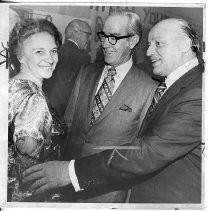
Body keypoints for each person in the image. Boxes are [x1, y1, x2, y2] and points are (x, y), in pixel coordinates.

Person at [23, 17, 203, 203]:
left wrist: (70, 171)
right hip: (68, 188)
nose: (149, 52)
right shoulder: (87, 72)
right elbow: (68, 126)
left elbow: (146, 150)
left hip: (120, 194)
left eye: (158, 44)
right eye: (103, 36)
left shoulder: (194, 92)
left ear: (185, 44)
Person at [8, 18, 66, 202]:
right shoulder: (34, 99)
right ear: (20, 56)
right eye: (39, 52)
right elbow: (29, 172)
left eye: (53, 51)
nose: (50, 59)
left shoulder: (10, 86)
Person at [42, 19, 92, 118]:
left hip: (46, 108)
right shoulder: (83, 58)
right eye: (87, 35)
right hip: (64, 114)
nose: (89, 39)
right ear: (76, 33)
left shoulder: (56, 52)